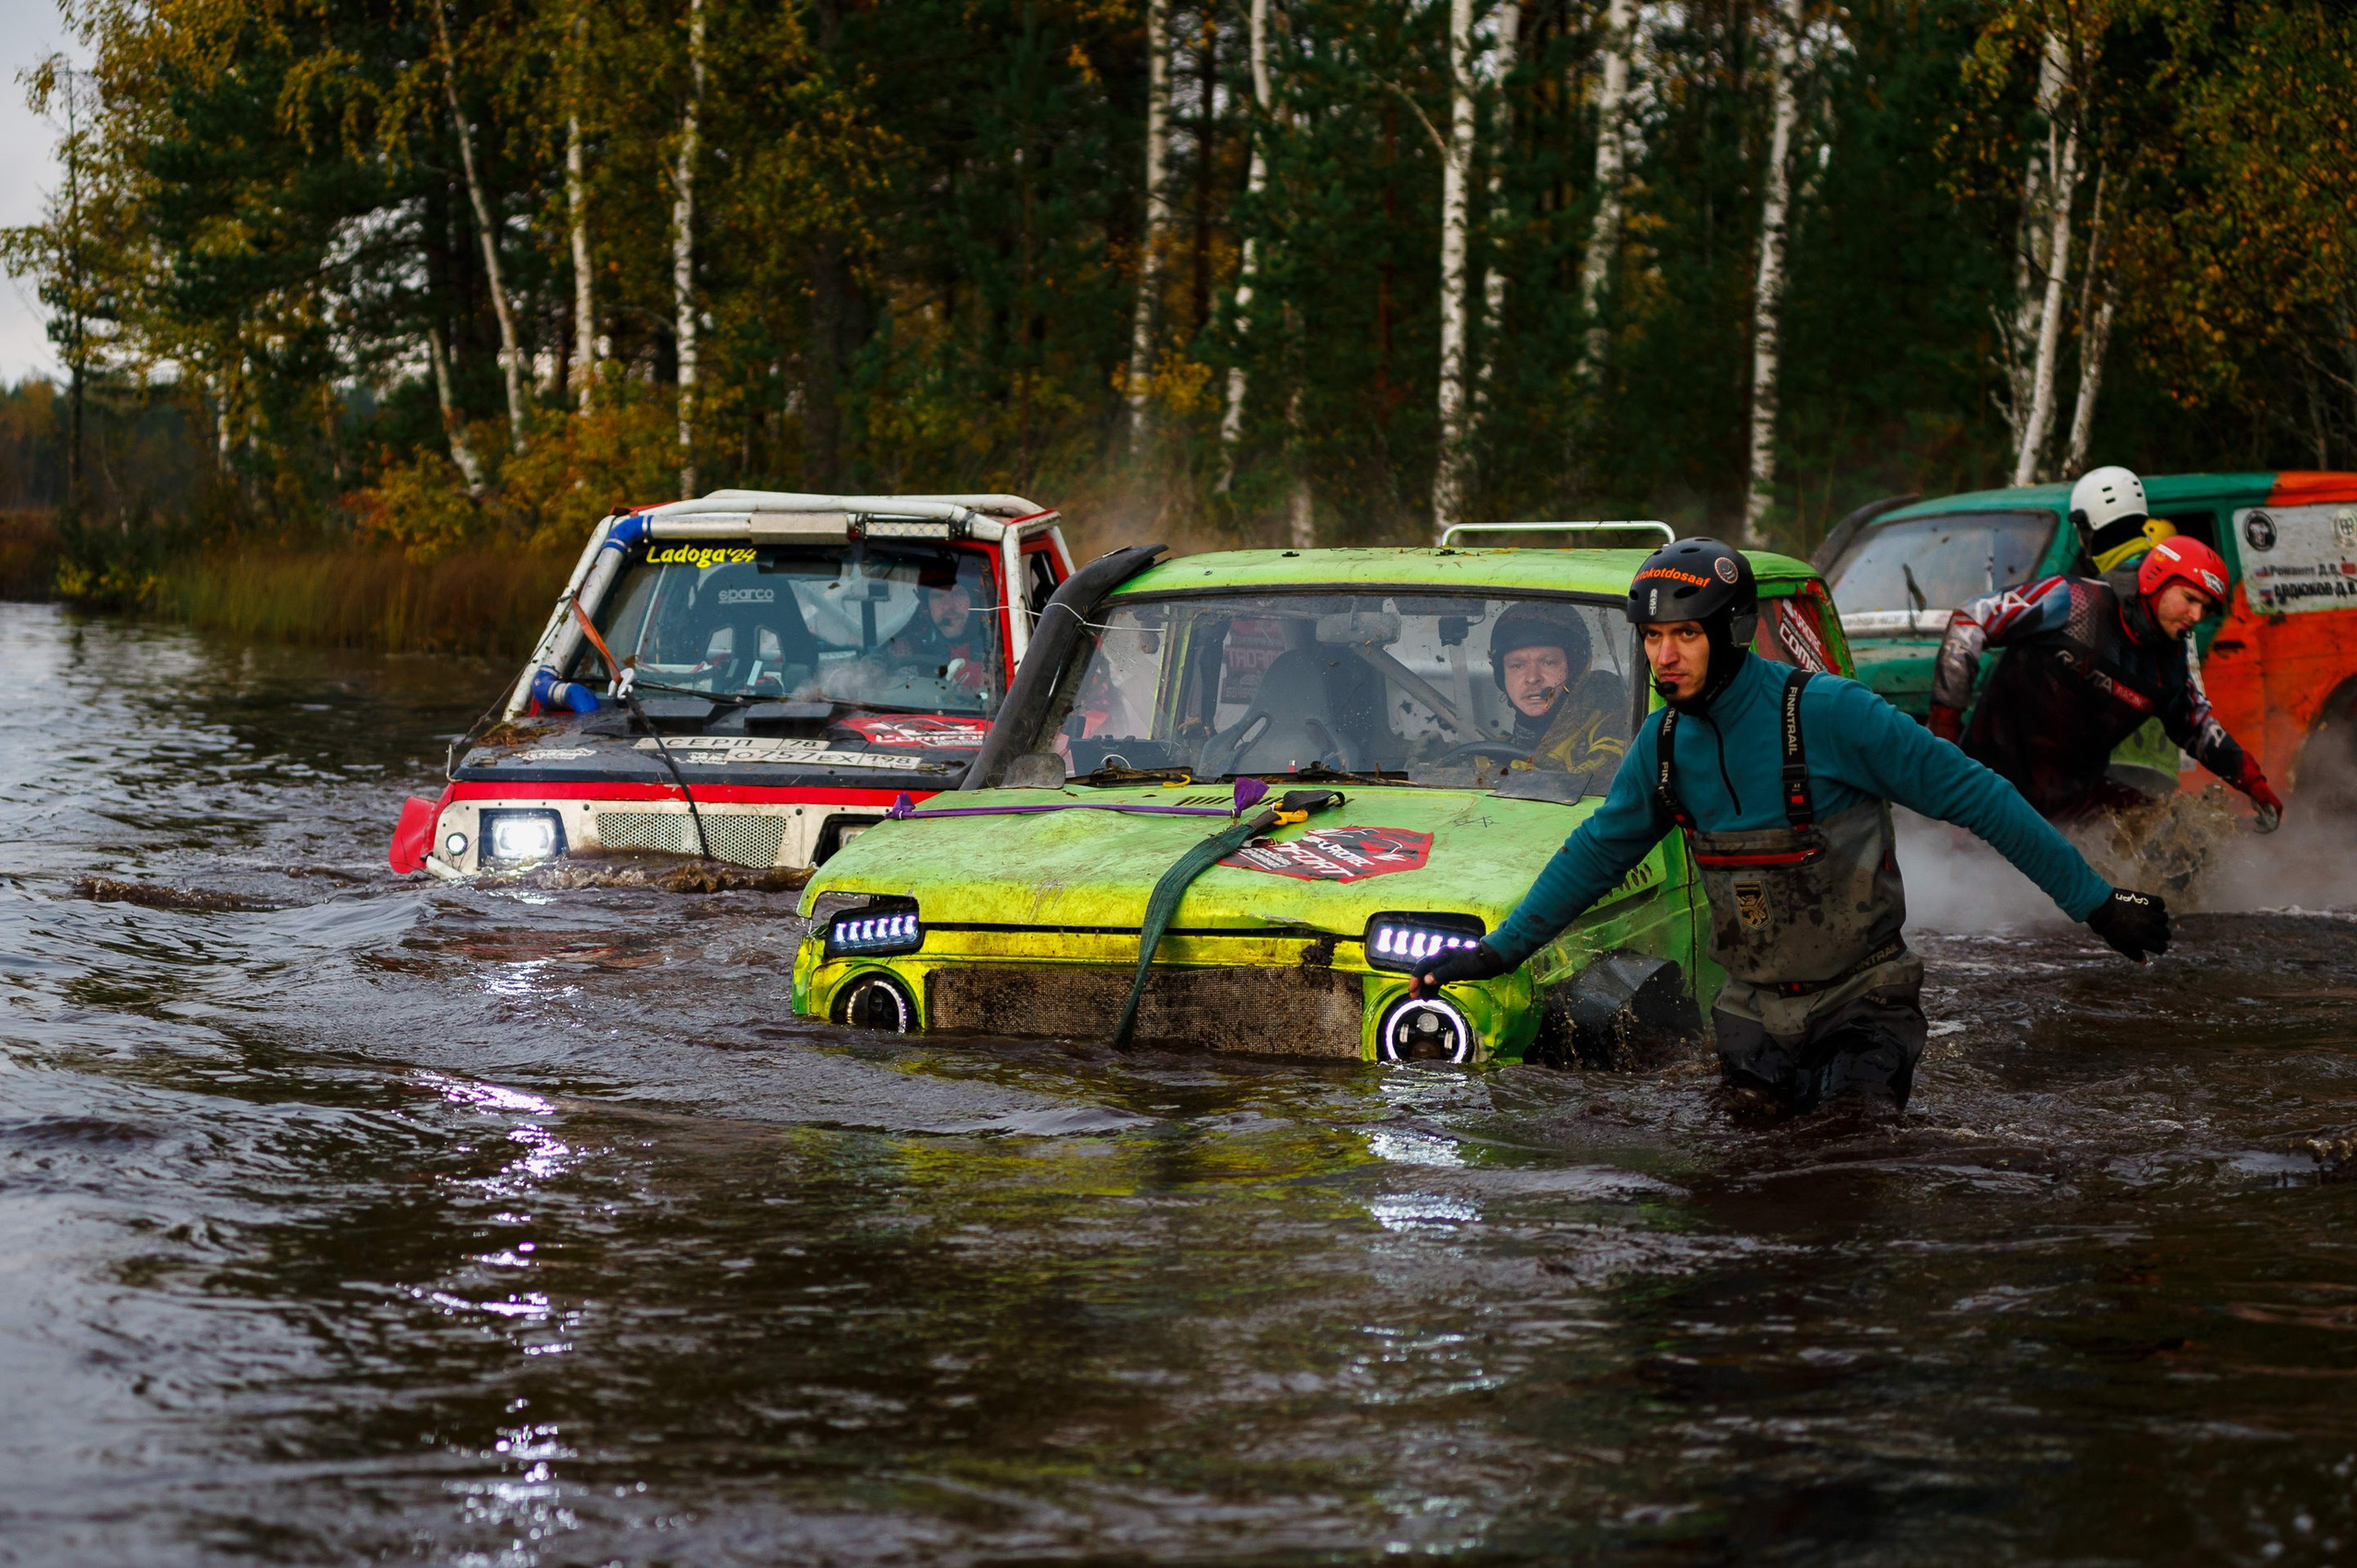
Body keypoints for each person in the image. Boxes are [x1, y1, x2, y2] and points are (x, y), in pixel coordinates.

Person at [1410, 538, 2170, 1115]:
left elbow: (1980, 796)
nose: (1663, 658)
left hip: (1861, 1006)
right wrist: (1499, 951)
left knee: (1842, 1178)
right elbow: (1596, 853)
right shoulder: (1663, 745)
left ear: (1731, 631)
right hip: (1750, 1017)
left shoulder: (1833, 714)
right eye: (1650, 638)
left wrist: (2096, 903)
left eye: (1684, 636)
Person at [1927, 467, 2282, 830]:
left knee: (2178, 840)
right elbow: (1971, 619)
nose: (2196, 616)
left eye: (2205, 608)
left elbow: (2198, 726)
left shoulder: (2170, 661)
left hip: (2075, 800)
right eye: (2190, 599)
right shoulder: (2074, 599)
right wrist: (1944, 735)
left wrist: (2252, 780)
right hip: (1989, 782)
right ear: (2157, 580)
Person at [1487, 603, 1629, 775]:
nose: (1532, 678)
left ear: (1574, 669)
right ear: (1501, 676)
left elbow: (1599, 785)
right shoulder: (1492, 752)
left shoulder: (1610, 729)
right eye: (1517, 666)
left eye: (1548, 662)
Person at [888, 579, 996, 693]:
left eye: (958, 594)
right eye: (938, 596)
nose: (949, 606)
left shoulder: (1001, 642)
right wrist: (876, 666)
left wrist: (980, 675)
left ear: (974, 600)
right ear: (926, 607)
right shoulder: (908, 648)